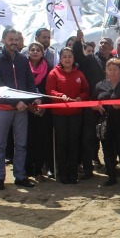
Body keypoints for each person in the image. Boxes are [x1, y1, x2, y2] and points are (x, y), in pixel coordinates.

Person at [0, 28, 39, 190]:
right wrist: (16, 101)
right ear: (4, 40)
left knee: (21, 144)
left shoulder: (23, 60)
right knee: (1, 143)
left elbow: (29, 82)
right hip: (4, 106)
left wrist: (35, 97)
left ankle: (20, 175)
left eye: (16, 39)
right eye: (10, 39)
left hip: (21, 108)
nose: (14, 42)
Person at [47, 47, 89, 184]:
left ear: (73, 58)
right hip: (59, 115)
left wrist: (80, 97)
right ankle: (62, 173)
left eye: (69, 56)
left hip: (76, 114)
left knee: (73, 143)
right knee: (62, 143)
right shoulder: (54, 73)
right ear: (60, 58)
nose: (67, 59)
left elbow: (86, 90)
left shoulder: (79, 74)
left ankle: (73, 172)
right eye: (64, 56)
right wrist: (61, 96)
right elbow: (50, 90)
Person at [73, 31, 113, 175]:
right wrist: (78, 41)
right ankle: (87, 167)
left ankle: (110, 166)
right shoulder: (90, 59)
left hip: (109, 105)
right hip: (91, 105)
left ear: (111, 47)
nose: (103, 45)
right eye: (101, 43)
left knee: (107, 137)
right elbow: (78, 57)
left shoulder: (114, 61)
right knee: (89, 137)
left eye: (106, 43)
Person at [93, 58, 120, 190]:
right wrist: (96, 107)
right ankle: (111, 177)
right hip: (105, 124)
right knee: (107, 151)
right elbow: (92, 103)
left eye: (115, 70)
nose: (112, 72)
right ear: (106, 70)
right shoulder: (100, 85)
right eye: (109, 69)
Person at [25, 42, 54, 181]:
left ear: (43, 53)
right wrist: (29, 105)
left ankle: (38, 170)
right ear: (28, 52)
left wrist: (42, 105)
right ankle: (26, 170)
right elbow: (22, 86)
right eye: (32, 50)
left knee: (41, 140)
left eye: (38, 50)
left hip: (43, 109)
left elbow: (49, 89)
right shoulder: (23, 67)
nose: (35, 52)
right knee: (27, 140)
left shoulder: (48, 68)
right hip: (26, 108)